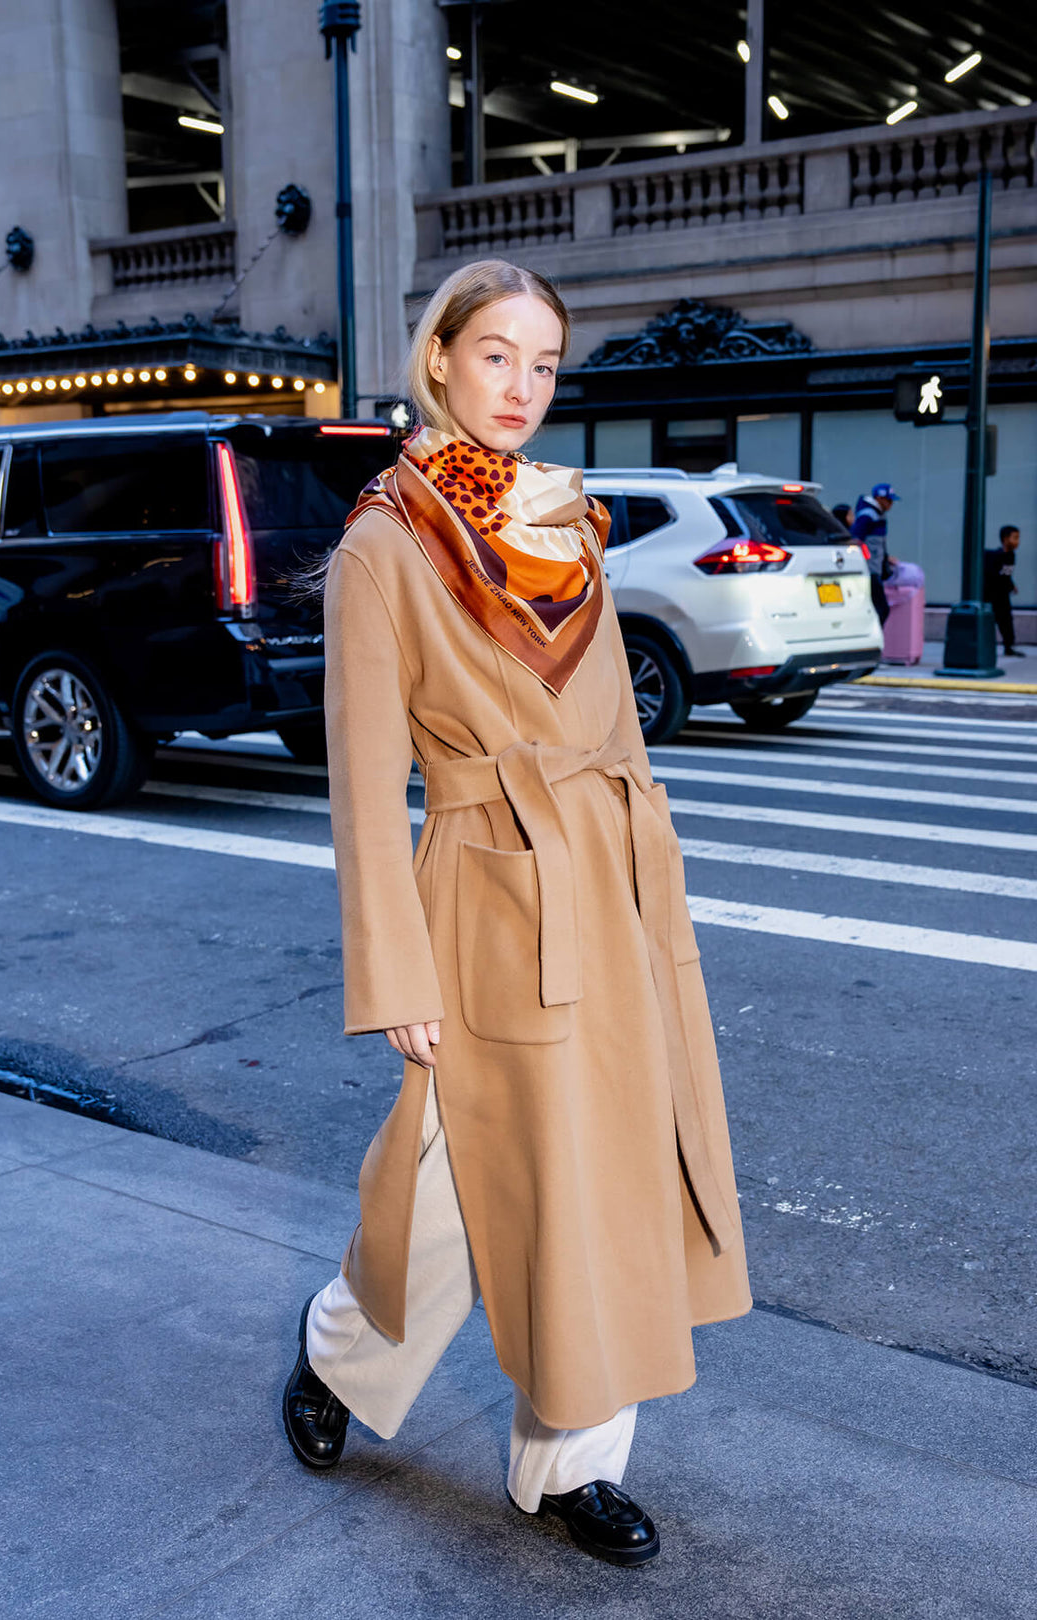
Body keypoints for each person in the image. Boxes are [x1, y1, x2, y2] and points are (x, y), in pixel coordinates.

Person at [281, 258, 752, 1569]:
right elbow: (368, 779)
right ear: (438, 357)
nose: (522, 388)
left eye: (544, 364)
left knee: (596, 1184)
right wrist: (399, 972)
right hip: (485, 892)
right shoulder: (386, 541)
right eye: (497, 355)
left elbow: (616, 740)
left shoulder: (567, 518)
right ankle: (336, 1352)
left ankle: (566, 1472)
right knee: (450, 1186)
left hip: (606, 886)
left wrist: (654, 900)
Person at [851, 482, 900, 626]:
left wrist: (885, 558)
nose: (891, 504)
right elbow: (856, 540)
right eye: (888, 500)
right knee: (881, 609)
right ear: (879, 498)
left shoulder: (879, 515)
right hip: (869, 570)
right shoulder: (868, 515)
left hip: (875, 568)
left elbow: (878, 543)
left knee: (878, 608)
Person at [984, 524, 1024, 656]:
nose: (1017, 541)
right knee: (991, 621)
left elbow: (1007, 573)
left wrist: (1012, 585)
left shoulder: (1011, 555)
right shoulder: (996, 556)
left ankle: (1008, 646)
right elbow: (992, 575)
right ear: (1005, 539)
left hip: (1003, 595)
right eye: (1015, 538)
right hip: (992, 595)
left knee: (1006, 621)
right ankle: (986, 645)